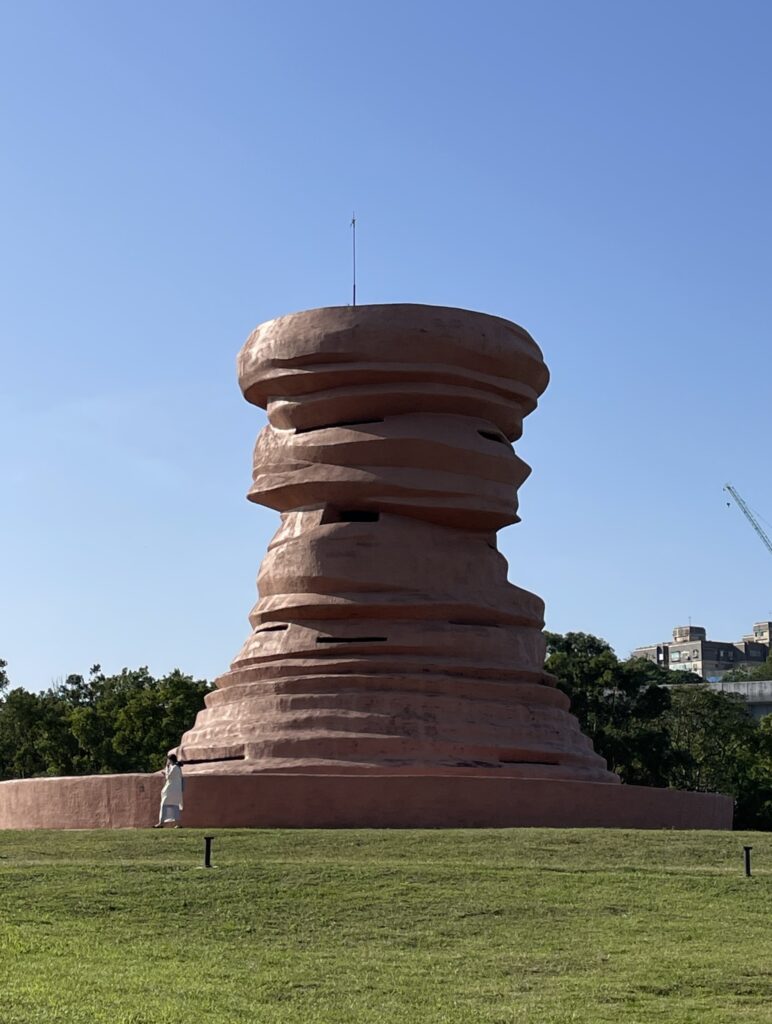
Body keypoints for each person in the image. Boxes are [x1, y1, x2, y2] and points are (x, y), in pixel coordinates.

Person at [154, 753, 184, 828]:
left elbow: (168, 777)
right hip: (174, 790)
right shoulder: (176, 767)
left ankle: (161, 823)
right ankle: (177, 824)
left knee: (164, 805)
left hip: (171, 790)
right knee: (174, 806)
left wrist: (166, 769)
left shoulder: (174, 768)